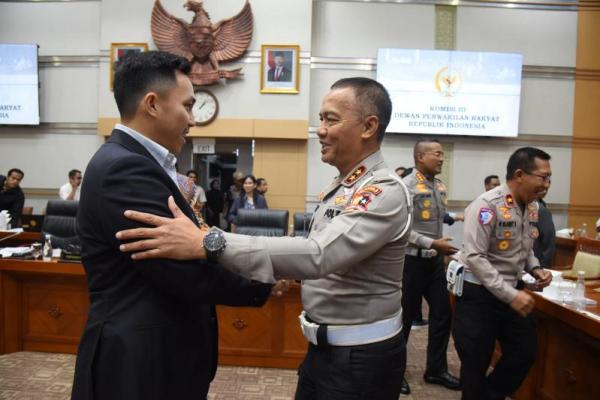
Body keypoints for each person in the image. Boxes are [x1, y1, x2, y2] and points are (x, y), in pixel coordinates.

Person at [116, 77, 412, 400]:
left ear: (369, 127)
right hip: (325, 351)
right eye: (321, 119)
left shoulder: (382, 191)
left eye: (331, 119)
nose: (320, 130)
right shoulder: (343, 187)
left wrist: (209, 241)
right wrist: (284, 271)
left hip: (361, 358)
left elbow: (319, 254)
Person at [70, 51, 272, 400]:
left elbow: (192, 240)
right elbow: (177, 266)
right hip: (139, 363)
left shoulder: (136, 162)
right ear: (152, 104)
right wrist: (261, 282)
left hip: (156, 354)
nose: (192, 119)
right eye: (188, 106)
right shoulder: (125, 168)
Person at [453, 147, 553, 400]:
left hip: (511, 292)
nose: (546, 184)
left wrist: (535, 268)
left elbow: (525, 246)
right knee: (475, 363)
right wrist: (511, 295)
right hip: (479, 295)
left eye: (549, 178)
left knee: (525, 352)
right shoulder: (487, 205)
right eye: (543, 177)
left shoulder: (532, 207)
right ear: (520, 175)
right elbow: (475, 256)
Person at [400, 139, 460, 394]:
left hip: (434, 263)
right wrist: (432, 243)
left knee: (443, 315)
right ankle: (395, 372)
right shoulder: (405, 186)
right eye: (437, 154)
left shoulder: (439, 185)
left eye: (443, 154)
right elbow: (400, 229)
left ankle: (435, 370)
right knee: (403, 319)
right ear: (420, 157)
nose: (442, 158)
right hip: (410, 262)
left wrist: (438, 248)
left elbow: (437, 220)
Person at [533, 188, 556, 268]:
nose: (545, 191)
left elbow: (549, 241)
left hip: (537, 264)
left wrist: (543, 266)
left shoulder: (541, 210)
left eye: (546, 189)